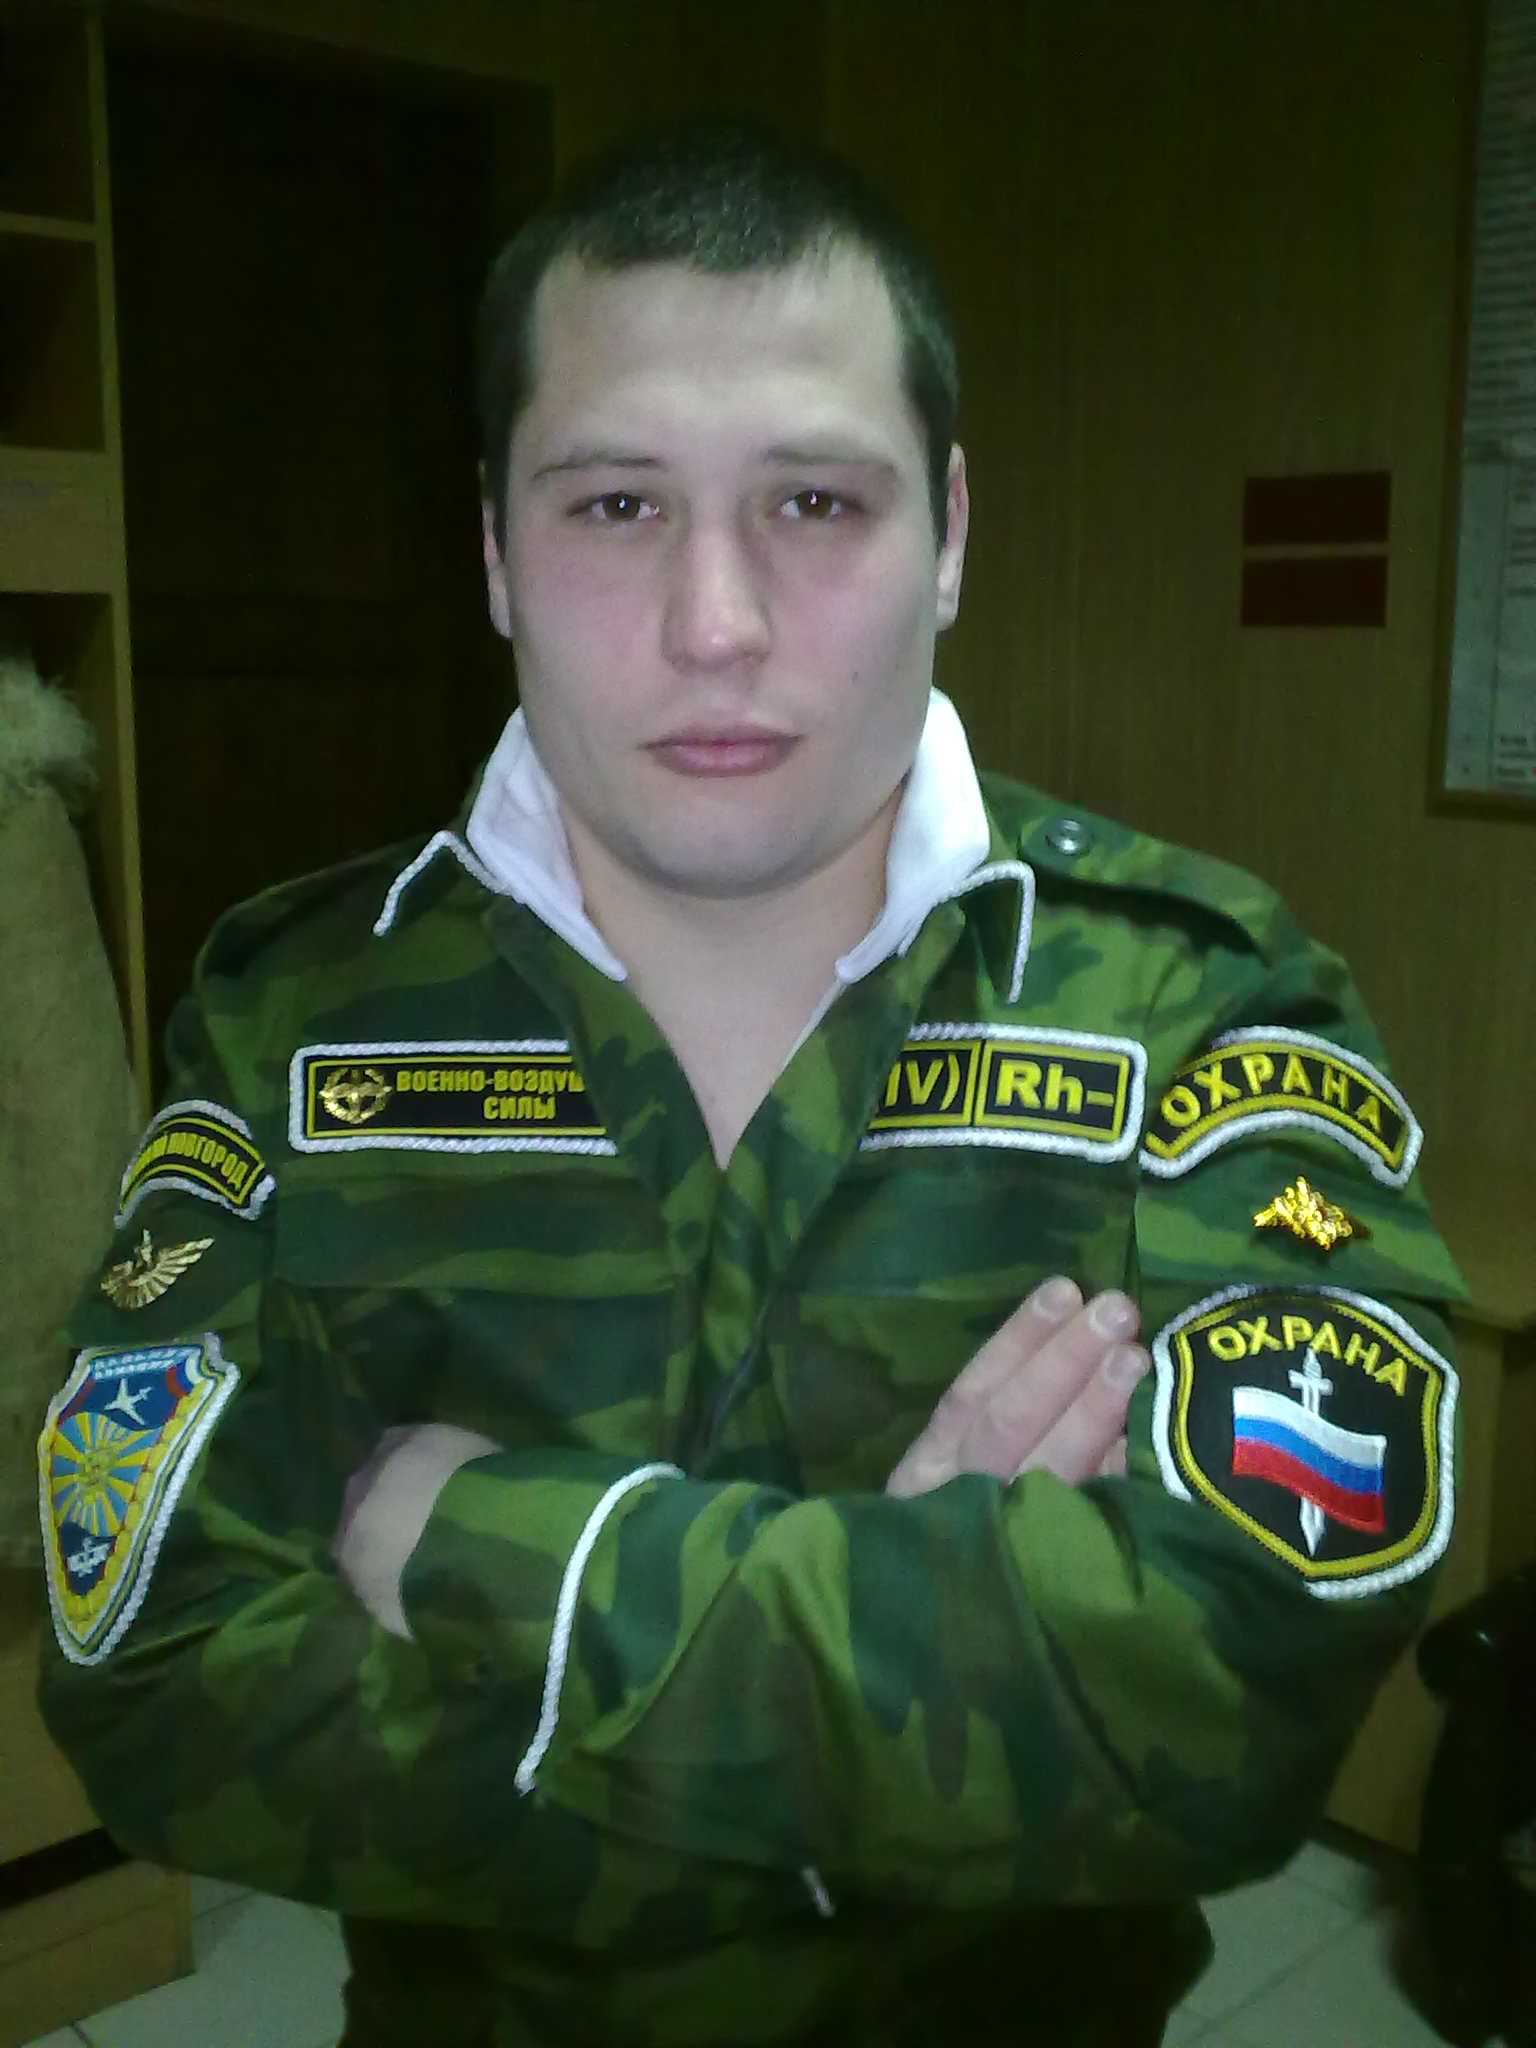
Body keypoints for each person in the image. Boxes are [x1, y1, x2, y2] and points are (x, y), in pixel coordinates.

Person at [36, 123, 1463, 2048]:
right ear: (494, 549)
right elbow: (151, 1681)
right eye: (616, 504)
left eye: (813, 500)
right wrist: (925, 1689)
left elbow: (1240, 1707)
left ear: (950, 530)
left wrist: (470, 1545)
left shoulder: (1202, 1017)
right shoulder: (300, 1019)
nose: (716, 622)